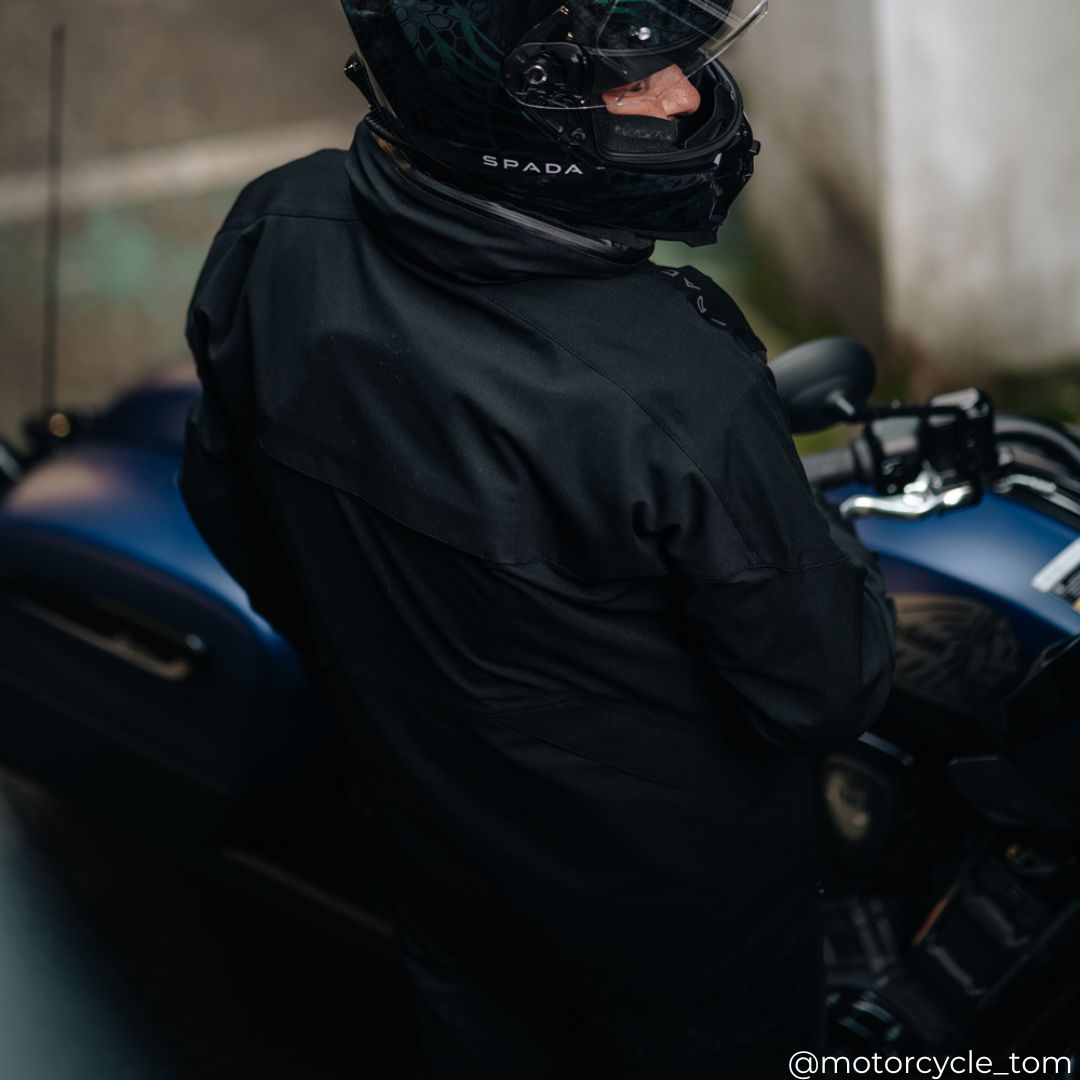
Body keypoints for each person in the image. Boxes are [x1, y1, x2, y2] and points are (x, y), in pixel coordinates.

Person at [179, 2, 896, 1076]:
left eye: (677, 54)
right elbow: (823, 685)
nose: (683, 94)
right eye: (622, 79)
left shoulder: (277, 226)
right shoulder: (674, 388)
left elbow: (234, 511)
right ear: (498, 115)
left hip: (437, 852)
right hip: (676, 928)